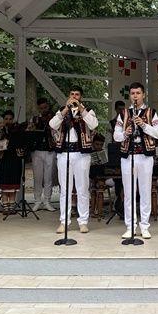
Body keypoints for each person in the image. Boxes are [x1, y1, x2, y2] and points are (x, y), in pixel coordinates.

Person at [113, 82, 158, 239]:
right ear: (130, 95)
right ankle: (130, 226)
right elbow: (116, 136)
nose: (135, 96)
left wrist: (144, 125)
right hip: (128, 156)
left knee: (145, 191)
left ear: (143, 95)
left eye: (138, 93)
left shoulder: (151, 113)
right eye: (133, 93)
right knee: (128, 193)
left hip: (145, 157)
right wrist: (125, 133)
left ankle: (145, 226)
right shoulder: (123, 114)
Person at [49, 86, 98, 234]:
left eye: (77, 94)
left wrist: (81, 109)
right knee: (65, 190)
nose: (74, 96)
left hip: (81, 153)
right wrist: (65, 109)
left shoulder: (88, 110)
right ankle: (64, 222)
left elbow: (94, 124)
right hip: (64, 153)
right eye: (72, 94)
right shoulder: (62, 111)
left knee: (82, 189)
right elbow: (52, 124)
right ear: (68, 96)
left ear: (81, 97)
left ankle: (83, 222)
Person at [30, 97, 56, 213]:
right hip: (37, 150)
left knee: (48, 177)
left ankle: (47, 201)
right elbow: (31, 132)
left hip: (50, 150)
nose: (43, 110)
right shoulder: (35, 118)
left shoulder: (54, 118)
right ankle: (37, 201)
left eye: (45, 107)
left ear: (48, 106)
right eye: (41, 108)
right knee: (37, 177)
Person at [0, 110, 24, 213]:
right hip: (3, 158)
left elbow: (21, 143)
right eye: (6, 119)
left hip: (15, 159)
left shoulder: (17, 130)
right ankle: (5, 206)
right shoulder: (0, 130)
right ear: (3, 120)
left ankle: (12, 206)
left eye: (10, 119)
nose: (8, 121)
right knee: (4, 182)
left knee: (13, 182)